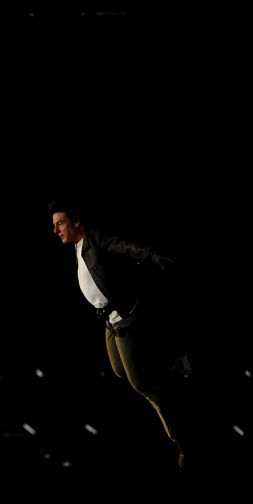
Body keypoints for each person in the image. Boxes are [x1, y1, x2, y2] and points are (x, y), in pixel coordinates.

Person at [48, 194, 196, 468]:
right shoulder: (78, 247)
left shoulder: (95, 239)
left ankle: (185, 442)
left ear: (76, 222)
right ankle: (166, 365)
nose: (55, 230)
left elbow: (125, 247)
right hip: (109, 323)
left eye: (60, 224)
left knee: (142, 384)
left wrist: (151, 255)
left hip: (124, 320)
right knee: (119, 370)